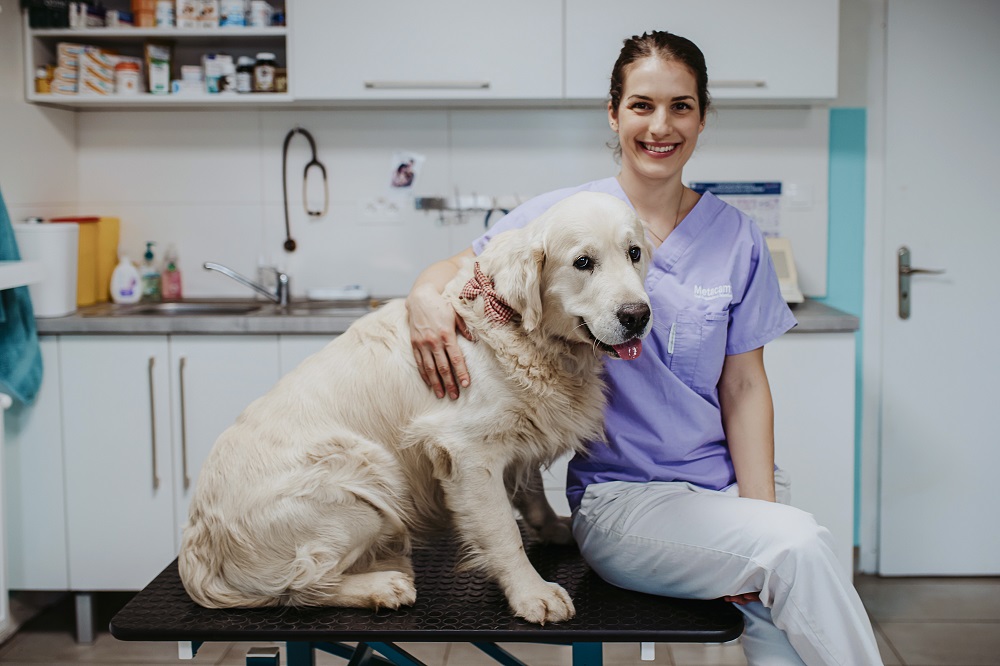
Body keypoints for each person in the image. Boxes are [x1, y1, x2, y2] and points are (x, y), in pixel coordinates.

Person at [405, 30, 882, 666]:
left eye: (681, 106)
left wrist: (757, 515)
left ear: (703, 117)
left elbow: (743, 387)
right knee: (796, 552)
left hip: (724, 497)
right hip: (623, 499)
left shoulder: (736, 237)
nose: (661, 125)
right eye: (642, 105)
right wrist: (421, 297)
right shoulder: (565, 216)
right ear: (614, 112)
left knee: (783, 589)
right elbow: (456, 267)